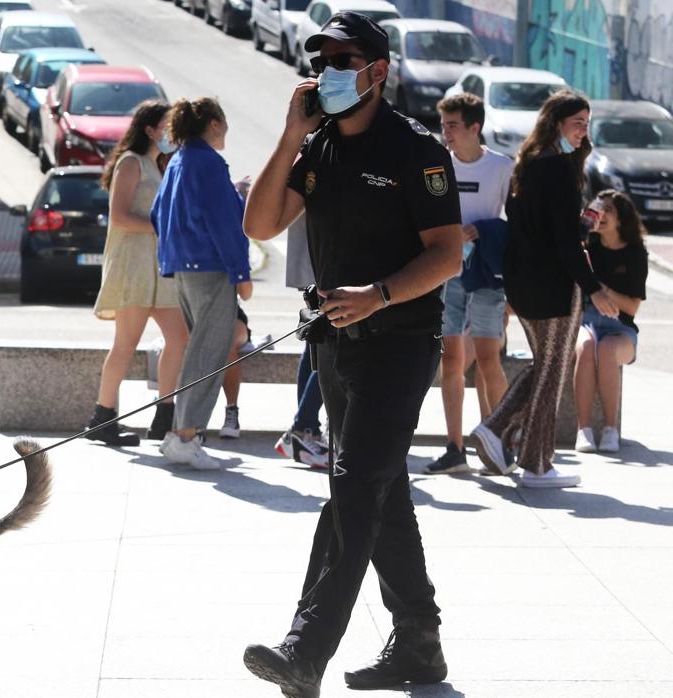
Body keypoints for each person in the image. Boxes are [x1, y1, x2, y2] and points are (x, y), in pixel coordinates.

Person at [240, 13, 463, 696]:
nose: (330, 70)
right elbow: (259, 223)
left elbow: (447, 255)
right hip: (334, 347)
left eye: (344, 58)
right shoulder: (322, 145)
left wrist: (380, 294)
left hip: (397, 345)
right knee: (382, 492)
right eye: (324, 58)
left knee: (353, 492)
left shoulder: (415, 149)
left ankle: (304, 651)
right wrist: (288, 138)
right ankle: (418, 647)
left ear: (377, 70)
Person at [470, 90, 620, 488]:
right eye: (577, 122)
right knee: (552, 368)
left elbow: (542, 228)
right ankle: (530, 458)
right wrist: (594, 289)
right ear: (556, 121)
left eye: (587, 123)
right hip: (552, 285)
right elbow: (563, 243)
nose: (583, 130)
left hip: (524, 281)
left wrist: (580, 222)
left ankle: (517, 444)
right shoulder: (556, 168)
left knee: (547, 366)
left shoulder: (530, 162)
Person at [151, 97, 253, 471]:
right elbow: (225, 225)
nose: (225, 131)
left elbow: (157, 213)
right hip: (210, 269)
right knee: (208, 356)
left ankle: (181, 432)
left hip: (183, 268)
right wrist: (241, 274)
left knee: (201, 351)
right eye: (224, 123)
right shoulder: (209, 162)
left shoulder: (178, 160)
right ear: (213, 123)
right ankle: (185, 436)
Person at [87, 100, 189, 446]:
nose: (172, 133)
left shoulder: (160, 164)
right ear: (149, 129)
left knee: (180, 339)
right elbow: (119, 217)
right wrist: (163, 227)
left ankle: (164, 414)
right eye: (167, 125)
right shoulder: (131, 163)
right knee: (125, 345)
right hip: (133, 266)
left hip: (159, 268)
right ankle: (102, 417)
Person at [425, 93, 513, 474]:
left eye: (453, 125)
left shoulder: (502, 167)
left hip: (488, 274)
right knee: (450, 361)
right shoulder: (438, 165)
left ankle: (500, 443)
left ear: (475, 127)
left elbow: (518, 225)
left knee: (490, 360)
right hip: (447, 272)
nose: (445, 133)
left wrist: (486, 232)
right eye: (443, 125)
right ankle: (454, 447)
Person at [574, 189, 647, 453]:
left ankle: (609, 429)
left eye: (609, 210)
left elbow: (631, 307)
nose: (601, 215)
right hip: (586, 322)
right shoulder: (586, 246)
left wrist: (600, 289)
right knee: (586, 349)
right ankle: (583, 430)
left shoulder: (636, 253)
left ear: (621, 219)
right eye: (598, 208)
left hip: (621, 328)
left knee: (606, 350)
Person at [275, 216, 330, 469]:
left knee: (317, 341)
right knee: (329, 343)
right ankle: (303, 428)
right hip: (333, 252)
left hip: (319, 250)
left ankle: (305, 429)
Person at [219, 304, 256, 439]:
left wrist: (236, 281)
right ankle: (185, 417)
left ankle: (231, 410)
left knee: (227, 341)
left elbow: (246, 293)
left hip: (230, 315)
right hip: (195, 312)